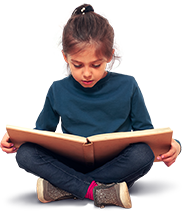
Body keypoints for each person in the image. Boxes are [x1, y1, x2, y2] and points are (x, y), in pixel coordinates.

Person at [1, 3, 181, 209]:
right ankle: (100, 191)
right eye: (77, 65)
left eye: (96, 65)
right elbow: (41, 135)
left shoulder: (128, 85)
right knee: (26, 154)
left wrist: (170, 144)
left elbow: (145, 132)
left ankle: (66, 188)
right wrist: (16, 139)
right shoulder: (57, 90)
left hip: (116, 162)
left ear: (111, 56)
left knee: (143, 155)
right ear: (64, 57)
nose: (87, 73)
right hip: (71, 161)